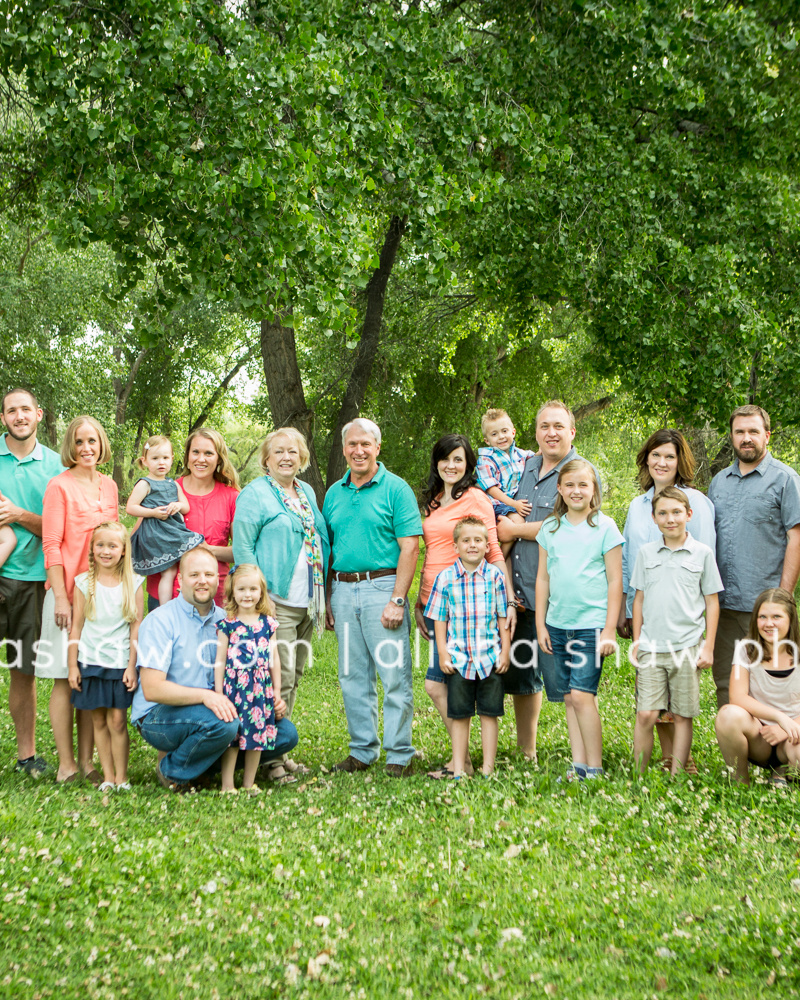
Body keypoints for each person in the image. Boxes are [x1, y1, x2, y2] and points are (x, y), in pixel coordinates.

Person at [132, 545, 298, 791]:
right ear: (180, 579)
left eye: (209, 575)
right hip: (160, 716)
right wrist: (207, 696)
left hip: (218, 707)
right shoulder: (160, 621)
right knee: (225, 725)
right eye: (194, 575)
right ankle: (172, 770)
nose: (202, 581)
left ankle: (203, 765)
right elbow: (153, 689)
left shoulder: (228, 621)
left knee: (284, 733)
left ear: (218, 580)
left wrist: (271, 699)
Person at [497, 399, 599, 762]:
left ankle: (586, 756)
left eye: (558, 426)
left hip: (563, 600)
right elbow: (501, 521)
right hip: (522, 593)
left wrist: (514, 529)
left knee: (572, 686)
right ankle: (529, 751)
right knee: (525, 677)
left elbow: (569, 523)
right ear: (536, 433)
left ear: (572, 431)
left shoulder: (580, 472)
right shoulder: (523, 469)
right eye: (544, 426)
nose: (551, 433)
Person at [323, 417, 422, 777]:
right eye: (352, 444)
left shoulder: (396, 489)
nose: (359, 450)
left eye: (366, 444)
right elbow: (329, 548)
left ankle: (400, 755)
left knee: (394, 675)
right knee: (352, 675)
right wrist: (330, 596)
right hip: (344, 589)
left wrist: (398, 599)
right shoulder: (334, 493)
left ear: (377, 448)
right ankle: (362, 751)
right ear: (345, 449)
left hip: (383, 587)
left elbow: (409, 547)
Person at [414, 433, 515, 779]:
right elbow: (430, 552)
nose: (451, 465)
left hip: (471, 603)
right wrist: (418, 600)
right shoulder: (431, 501)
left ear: (469, 464)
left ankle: (465, 762)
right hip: (435, 599)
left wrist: (510, 600)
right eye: (446, 458)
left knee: (437, 684)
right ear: (436, 462)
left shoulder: (476, 498)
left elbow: (494, 549)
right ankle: (462, 761)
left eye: (459, 459)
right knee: (439, 682)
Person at [233, 426, 328, 781]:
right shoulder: (255, 494)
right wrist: (258, 601)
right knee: (278, 679)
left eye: (293, 451)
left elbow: (317, 540)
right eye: (279, 452)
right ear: (266, 459)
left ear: (301, 457)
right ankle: (269, 761)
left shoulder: (306, 492)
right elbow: (243, 550)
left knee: (294, 677)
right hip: (275, 601)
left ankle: (278, 748)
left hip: (308, 602)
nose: (286, 457)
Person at [619, 428, 717, 769]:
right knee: (652, 691)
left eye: (669, 456)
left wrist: (703, 630)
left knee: (678, 692)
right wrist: (624, 608)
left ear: (680, 462)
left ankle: (682, 758)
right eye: (656, 455)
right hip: (644, 611)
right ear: (647, 458)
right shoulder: (637, 505)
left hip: (682, 619)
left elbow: (702, 565)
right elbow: (630, 558)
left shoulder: (697, 505)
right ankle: (665, 754)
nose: (662, 462)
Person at [37, 415, 119, 783]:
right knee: (62, 677)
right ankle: (66, 764)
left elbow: (115, 541)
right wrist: (59, 597)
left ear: (102, 445)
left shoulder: (111, 486)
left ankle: (88, 762)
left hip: (99, 598)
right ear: (70, 446)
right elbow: (51, 544)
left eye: (93, 441)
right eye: (80, 442)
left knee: (91, 678)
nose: (87, 448)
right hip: (67, 595)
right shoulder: (59, 486)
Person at [535, 460, 623, 779]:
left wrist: (610, 629)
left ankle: (596, 768)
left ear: (594, 490)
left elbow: (616, 581)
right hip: (558, 624)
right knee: (570, 697)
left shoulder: (605, 527)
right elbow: (543, 579)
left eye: (583, 485)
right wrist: (541, 624)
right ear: (559, 489)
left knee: (584, 695)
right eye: (570, 485)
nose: (576, 491)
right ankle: (580, 765)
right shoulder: (550, 528)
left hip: (591, 625)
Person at [708, 405, 800, 708]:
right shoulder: (719, 482)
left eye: (753, 431)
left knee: (770, 682)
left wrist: (782, 598)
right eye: (740, 432)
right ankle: (735, 755)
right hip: (723, 606)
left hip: (763, 609)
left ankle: (779, 749)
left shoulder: (786, 480)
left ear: (767, 435)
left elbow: (796, 538)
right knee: (725, 680)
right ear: (732, 436)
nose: (746, 438)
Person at [630, 488, 723, 774]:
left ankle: (677, 775)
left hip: (686, 647)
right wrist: (636, 642)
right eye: (663, 513)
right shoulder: (646, 553)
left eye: (676, 512)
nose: (670, 519)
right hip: (650, 648)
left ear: (688, 515)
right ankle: (638, 774)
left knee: (683, 714)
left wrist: (708, 647)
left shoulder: (702, 554)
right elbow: (639, 599)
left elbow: (712, 602)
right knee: (646, 713)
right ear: (654, 518)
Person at [0, 388, 64, 777]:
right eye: (11, 411)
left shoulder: (56, 467)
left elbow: (60, 531)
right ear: (3, 417)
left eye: (26, 410)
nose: (19, 416)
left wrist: (21, 515)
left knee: (21, 668)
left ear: (39, 414)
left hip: (31, 579)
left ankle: (26, 756)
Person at [424, 517, 510, 779]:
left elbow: (502, 616)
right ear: (455, 546)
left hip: (490, 657)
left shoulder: (495, 577)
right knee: (460, 715)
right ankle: (460, 769)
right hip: (459, 659)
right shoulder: (446, 579)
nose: (472, 545)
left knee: (489, 713)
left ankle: (488, 768)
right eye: (466, 540)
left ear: (487, 545)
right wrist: (442, 652)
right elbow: (439, 618)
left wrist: (505, 650)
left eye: (478, 540)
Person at [67, 522, 144, 791]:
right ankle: (108, 777)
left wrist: (132, 666)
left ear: (123, 550)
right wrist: (71, 666)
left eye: (112, 546)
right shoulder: (83, 583)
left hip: (119, 662)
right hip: (90, 662)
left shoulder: (134, 583)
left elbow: (136, 627)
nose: (106, 551)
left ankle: (122, 777)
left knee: (117, 720)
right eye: (100, 545)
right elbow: (76, 626)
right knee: (98, 719)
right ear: (92, 549)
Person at [145, 427, 239, 611]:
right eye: (195, 452)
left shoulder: (232, 497)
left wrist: (207, 549)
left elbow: (240, 552)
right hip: (166, 596)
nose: (201, 459)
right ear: (187, 456)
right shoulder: (164, 489)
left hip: (214, 597)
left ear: (219, 458)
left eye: (208, 453)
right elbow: (141, 538)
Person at [715, 588, 800, 785]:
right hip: (760, 737)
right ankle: (740, 783)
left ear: (790, 619)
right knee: (728, 714)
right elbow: (737, 697)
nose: (769, 623)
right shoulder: (746, 648)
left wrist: (790, 726)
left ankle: (784, 775)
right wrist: (779, 718)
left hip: (794, 736)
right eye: (762, 617)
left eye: (776, 616)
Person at [214, 564, 285, 793]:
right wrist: (218, 693)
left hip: (260, 689)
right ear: (232, 592)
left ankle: (248, 783)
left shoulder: (268, 623)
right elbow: (220, 661)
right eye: (241, 589)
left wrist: (277, 690)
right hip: (234, 688)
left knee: (257, 734)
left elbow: (274, 659)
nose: (247, 594)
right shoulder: (228, 624)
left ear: (261, 592)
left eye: (253, 589)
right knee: (233, 738)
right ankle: (227, 785)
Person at [127, 436, 204, 603]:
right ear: (145, 461)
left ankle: (187, 596)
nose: (160, 462)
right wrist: (152, 512)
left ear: (172, 459)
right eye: (155, 458)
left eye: (165, 458)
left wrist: (177, 505)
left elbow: (186, 506)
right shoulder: (145, 484)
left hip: (171, 529)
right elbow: (131, 507)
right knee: (168, 572)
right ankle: (164, 607)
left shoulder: (172, 484)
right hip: (155, 532)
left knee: (192, 554)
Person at [475, 408, 534, 556]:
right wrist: (513, 504)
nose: (501, 437)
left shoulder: (519, 453)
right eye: (494, 434)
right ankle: (500, 556)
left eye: (504, 431)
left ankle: (503, 557)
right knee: (519, 523)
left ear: (513, 432)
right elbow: (491, 489)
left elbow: (534, 456)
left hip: (509, 504)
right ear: (487, 440)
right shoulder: (486, 459)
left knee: (515, 527)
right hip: (494, 504)